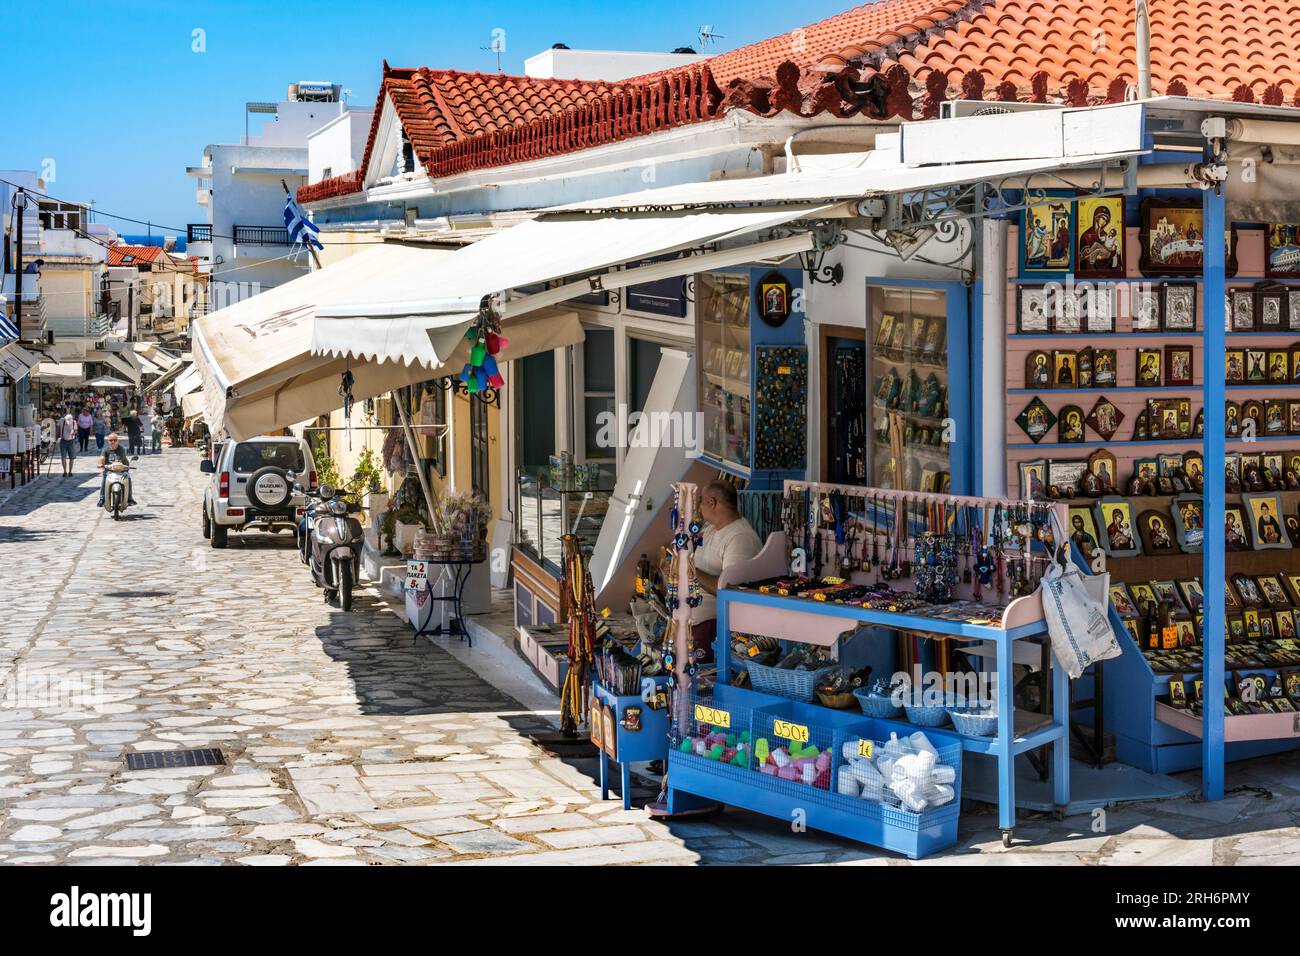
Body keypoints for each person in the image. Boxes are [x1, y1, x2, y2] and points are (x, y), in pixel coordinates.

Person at [689, 480, 763, 663]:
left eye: (701, 501)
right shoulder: (710, 530)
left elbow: (729, 590)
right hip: (691, 626)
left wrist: (690, 572)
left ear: (712, 502)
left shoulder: (740, 538)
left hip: (711, 629)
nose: (699, 507)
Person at [97, 432, 136, 508]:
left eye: (115, 440)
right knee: (104, 479)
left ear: (118, 441)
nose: (113, 442)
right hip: (109, 470)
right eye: (111, 440)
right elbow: (101, 458)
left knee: (128, 478)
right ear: (108, 441)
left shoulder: (121, 449)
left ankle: (129, 498)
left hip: (121, 469)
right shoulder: (106, 450)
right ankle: (102, 499)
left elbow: (122, 460)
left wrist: (125, 467)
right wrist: (101, 464)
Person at [56, 410, 78, 477]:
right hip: (63, 441)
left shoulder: (74, 422)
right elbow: (58, 428)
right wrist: (56, 437)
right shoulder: (61, 421)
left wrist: (73, 432)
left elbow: (75, 430)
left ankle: (70, 472)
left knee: (72, 457)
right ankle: (65, 471)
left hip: (71, 441)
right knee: (63, 457)